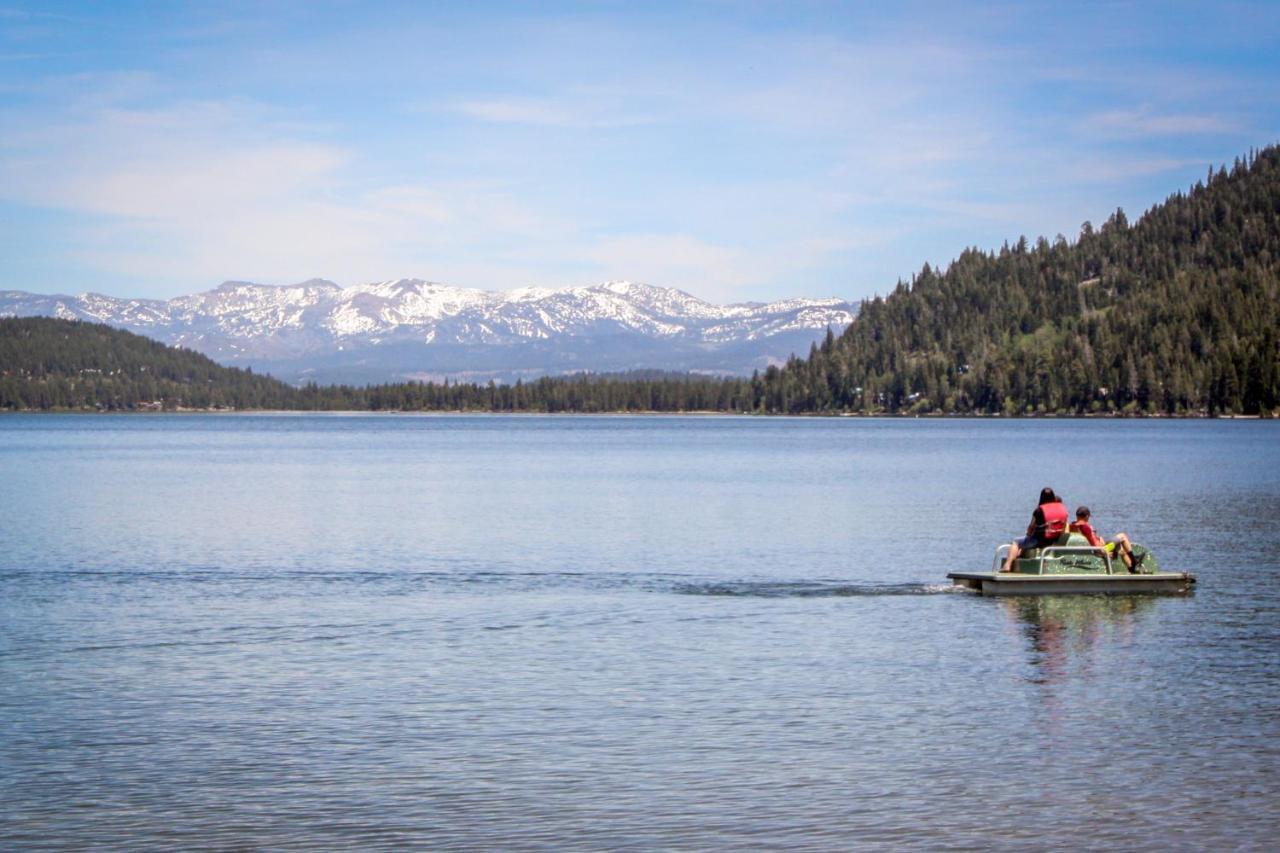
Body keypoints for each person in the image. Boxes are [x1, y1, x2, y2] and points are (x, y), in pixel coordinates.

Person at [1001, 487, 1069, 573]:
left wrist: (1029, 533)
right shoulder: (1062, 509)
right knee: (1025, 541)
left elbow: (1030, 529)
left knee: (1016, 542)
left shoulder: (1038, 510)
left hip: (1039, 541)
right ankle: (1018, 557)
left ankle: (1008, 564)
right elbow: (1063, 527)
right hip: (1055, 540)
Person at [1069, 505, 1144, 573]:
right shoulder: (1085, 527)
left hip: (1096, 549)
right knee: (1122, 536)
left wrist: (1097, 537)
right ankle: (1134, 561)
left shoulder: (1073, 525)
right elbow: (1095, 545)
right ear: (1087, 516)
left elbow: (1089, 540)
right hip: (1103, 549)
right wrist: (1103, 549)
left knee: (1121, 549)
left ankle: (1131, 568)